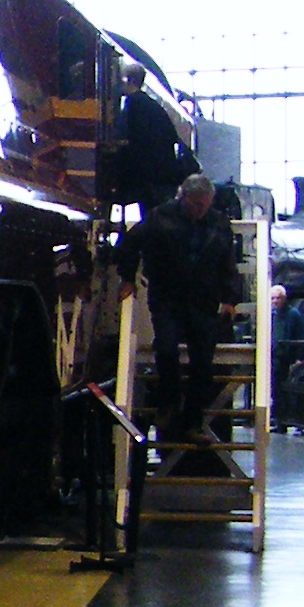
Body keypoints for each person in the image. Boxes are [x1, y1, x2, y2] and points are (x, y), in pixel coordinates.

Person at [120, 172, 238, 440]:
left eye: (204, 205)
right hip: (168, 298)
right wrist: (127, 278)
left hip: (202, 300)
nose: (201, 210)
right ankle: (169, 403)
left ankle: (191, 419)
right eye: (196, 204)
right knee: (166, 349)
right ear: (183, 198)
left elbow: (228, 264)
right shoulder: (159, 217)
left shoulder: (217, 223)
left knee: (203, 363)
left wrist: (230, 299)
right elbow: (130, 243)